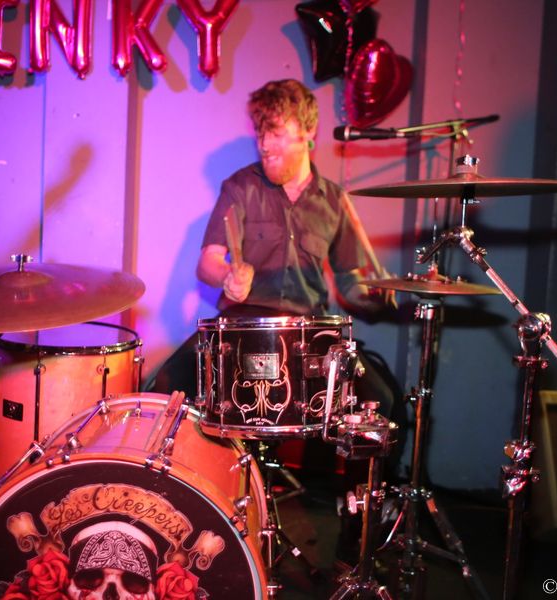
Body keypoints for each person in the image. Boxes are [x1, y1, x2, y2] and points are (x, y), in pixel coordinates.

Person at [147, 78, 405, 565]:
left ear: (308, 134)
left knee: (381, 403)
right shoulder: (241, 187)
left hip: (309, 336)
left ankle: (356, 532)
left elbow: (352, 283)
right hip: (243, 330)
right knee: (165, 383)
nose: (265, 144)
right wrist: (227, 276)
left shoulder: (333, 200)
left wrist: (388, 296)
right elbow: (208, 261)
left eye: (277, 133)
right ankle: (170, 518)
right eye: (261, 133)